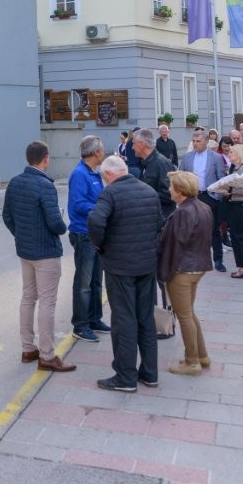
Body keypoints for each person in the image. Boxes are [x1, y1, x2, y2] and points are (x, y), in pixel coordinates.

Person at [88, 156, 164, 393]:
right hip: (146, 265)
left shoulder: (110, 193)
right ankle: (150, 373)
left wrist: (100, 246)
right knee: (146, 318)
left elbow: (95, 220)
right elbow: (159, 224)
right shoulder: (148, 191)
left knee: (124, 320)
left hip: (120, 267)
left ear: (109, 174)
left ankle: (125, 376)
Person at [2, 141, 74, 372]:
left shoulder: (15, 182)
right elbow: (55, 222)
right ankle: (47, 355)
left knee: (28, 297)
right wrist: (63, 227)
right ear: (46, 159)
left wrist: (21, 235)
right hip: (46, 251)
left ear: (27, 158)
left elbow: (7, 216)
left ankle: (28, 347)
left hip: (25, 250)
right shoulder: (45, 185)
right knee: (47, 302)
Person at [158, 171, 214, 375]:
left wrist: (163, 269)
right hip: (197, 266)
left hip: (182, 269)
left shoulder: (182, 212)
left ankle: (192, 361)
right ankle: (202, 356)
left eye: (171, 186)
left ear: (180, 190)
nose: (169, 190)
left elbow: (173, 244)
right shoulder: (203, 207)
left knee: (184, 316)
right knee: (189, 313)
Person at [68, 136, 111, 342]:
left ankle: (94, 319)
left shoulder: (93, 172)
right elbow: (78, 204)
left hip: (95, 233)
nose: (103, 152)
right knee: (84, 283)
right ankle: (80, 325)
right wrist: (101, 208)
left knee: (96, 281)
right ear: (96, 152)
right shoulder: (80, 174)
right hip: (83, 233)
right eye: (102, 149)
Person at [179, 131, 228, 275]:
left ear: (206, 142)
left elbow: (221, 178)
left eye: (198, 141)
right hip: (192, 196)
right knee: (190, 228)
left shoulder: (216, 157)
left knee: (213, 229)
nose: (195, 144)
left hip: (209, 196)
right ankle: (191, 259)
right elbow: (181, 175)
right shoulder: (187, 157)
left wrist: (217, 196)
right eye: (194, 141)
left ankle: (218, 260)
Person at [206, 144, 243, 279]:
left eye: (232, 152)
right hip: (236, 205)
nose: (229, 154)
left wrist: (228, 190)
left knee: (238, 237)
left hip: (239, 206)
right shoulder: (237, 168)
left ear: (239, 154)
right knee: (238, 237)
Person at [134, 128, 176, 218]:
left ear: (142, 144)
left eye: (134, 143)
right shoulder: (147, 162)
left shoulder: (161, 163)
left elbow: (169, 194)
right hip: (154, 215)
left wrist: (142, 194)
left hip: (162, 218)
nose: (132, 147)